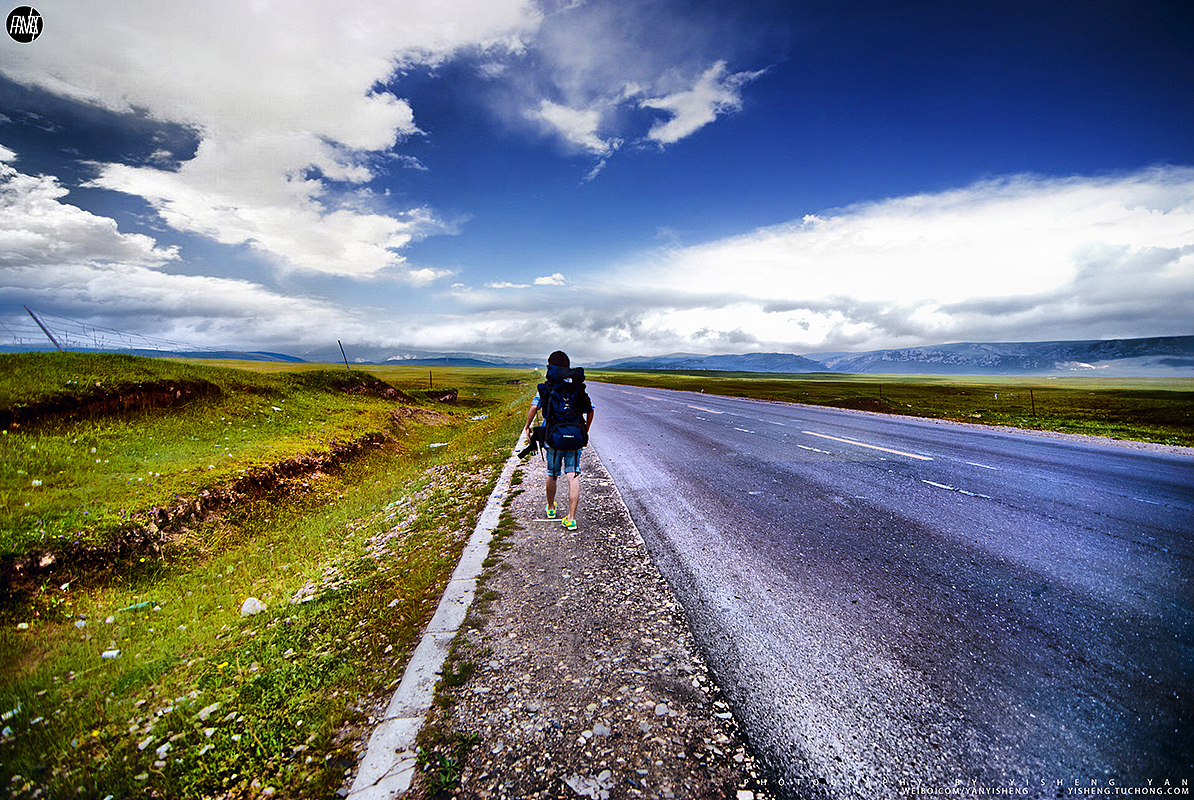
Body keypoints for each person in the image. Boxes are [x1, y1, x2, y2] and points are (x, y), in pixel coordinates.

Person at [523, 351, 594, 530]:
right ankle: (571, 518)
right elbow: (590, 409)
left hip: (553, 438)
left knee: (552, 474)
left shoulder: (548, 387)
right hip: (575, 436)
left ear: (551, 366)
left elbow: (534, 407)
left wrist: (527, 426)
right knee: (573, 474)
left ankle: (551, 508)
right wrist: (585, 429)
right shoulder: (577, 387)